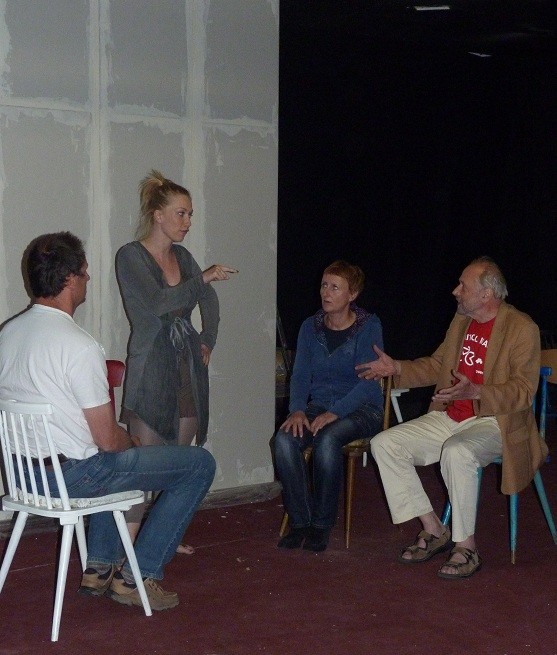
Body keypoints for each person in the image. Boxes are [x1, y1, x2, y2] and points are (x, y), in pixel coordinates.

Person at [0, 232, 216, 610]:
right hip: (72, 478)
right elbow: (107, 440)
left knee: (107, 460)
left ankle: (99, 567)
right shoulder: (78, 345)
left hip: (24, 477)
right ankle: (136, 576)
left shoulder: (8, 334)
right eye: (84, 272)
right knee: (198, 465)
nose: (88, 279)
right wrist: (133, 443)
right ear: (70, 279)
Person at [357, 256, 547, 579]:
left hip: (496, 421)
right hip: (451, 416)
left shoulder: (522, 328)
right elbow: (437, 366)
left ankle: (466, 547)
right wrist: (397, 368)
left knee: (458, 451)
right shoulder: (462, 321)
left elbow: (524, 390)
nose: (455, 290)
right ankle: (434, 528)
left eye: (463, 286)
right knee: (384, 444)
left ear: (486, 294)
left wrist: (478, 392)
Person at [115, 170, 236, 554]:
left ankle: (163, 536)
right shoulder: (130, 256)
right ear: (158, 215)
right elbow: (157, 303)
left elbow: (208, 299)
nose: (187, 222)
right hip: (152, 367)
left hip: (186, 366)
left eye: (190, 214)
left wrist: (208, 339)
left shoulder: (182, 256)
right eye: (181, 214)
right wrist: (203, 278)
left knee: (180, 463)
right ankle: (126, 550)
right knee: (141, 468)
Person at [273, 260, 384, 552]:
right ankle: (301, 522)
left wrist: (335, 413)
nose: (326, 292)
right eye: (324, 285)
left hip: (363, 408)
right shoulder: (310, 327)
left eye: (335, 287)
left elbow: (369, 383)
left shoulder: (368, 326)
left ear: (352, 294)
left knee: (327, 437)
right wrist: (298, 409)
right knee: (284, 440)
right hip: (320, 405)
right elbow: (300, 375)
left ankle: (322, 525)